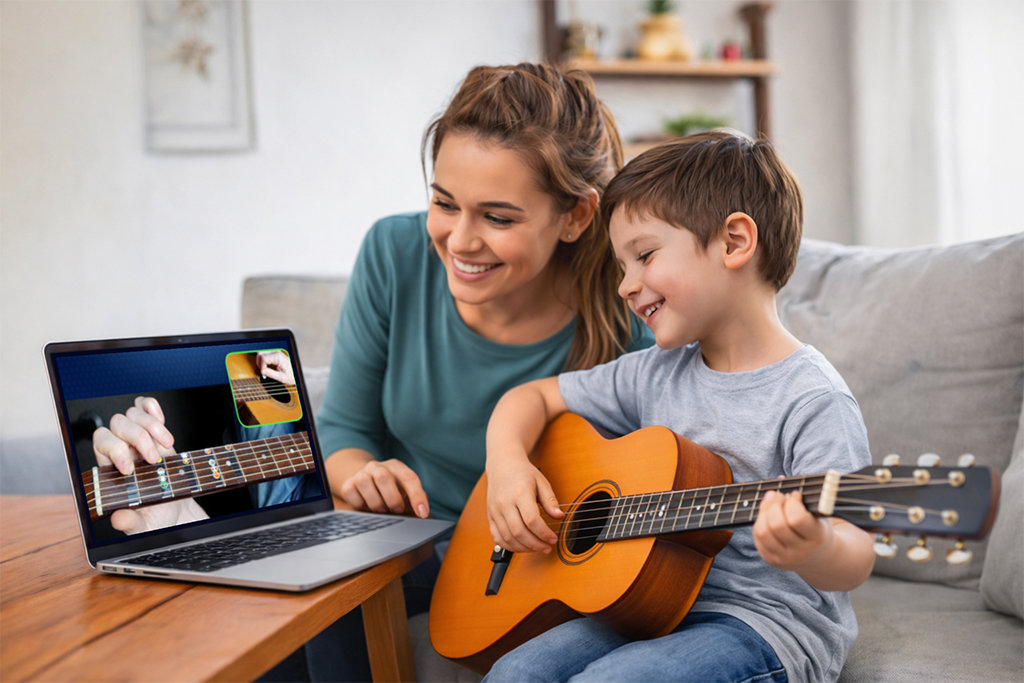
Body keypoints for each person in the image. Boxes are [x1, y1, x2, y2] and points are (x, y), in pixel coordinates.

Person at [288, 62, 654, 681]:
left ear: (576, 216)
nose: (459, 240)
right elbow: (344, 431)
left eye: (498, 217)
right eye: (444, 203)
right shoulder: (394, 252)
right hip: (408, 546)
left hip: (527, 571)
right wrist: (365, 476)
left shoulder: (629, 313)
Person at [483, 130, 875, 683]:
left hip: (766, 625)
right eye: (622, 266)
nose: (626, 286)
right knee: (514, 673)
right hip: (648, 605)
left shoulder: (813, 398)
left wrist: (814, 545)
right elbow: (530, 397)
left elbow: (856, 554)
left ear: (734, 242)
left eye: (644, 256)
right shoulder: (654, 373)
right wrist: (507, 467)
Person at [91, 350, 313, 535]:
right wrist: (300, 388)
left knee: (247, 376)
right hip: (309, 443)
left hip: (295, 501)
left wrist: (188, 518)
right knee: (250, 365)